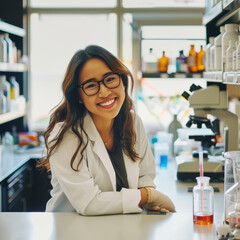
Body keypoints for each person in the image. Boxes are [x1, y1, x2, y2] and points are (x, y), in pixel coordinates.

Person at [39, 45, 175, 215]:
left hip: (121, 227)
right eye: (91, 85)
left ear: (122, 81)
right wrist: (147, 196)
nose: (104, 92)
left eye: (110, 79)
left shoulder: (132, 122)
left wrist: (147, 193)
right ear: (78, 97)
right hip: (72, 231)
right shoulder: (66, 135)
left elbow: (145, 175)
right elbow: (89, 203)